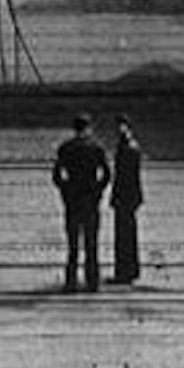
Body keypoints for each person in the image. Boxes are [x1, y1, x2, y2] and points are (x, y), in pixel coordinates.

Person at [51, 113, 111, 293]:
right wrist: (97, 191)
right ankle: (92, 281)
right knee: (92, 243)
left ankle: (71, 282)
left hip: (72, 202)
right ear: (89, 128)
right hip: (91, 201)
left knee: (73, 244)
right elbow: (106, 174)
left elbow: (56, 176)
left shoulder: (65, 148)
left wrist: (66, 191)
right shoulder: (96, 148)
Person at [109, 116, 144, 284]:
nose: (118, 130)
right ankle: (129, 270)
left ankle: (124, 272)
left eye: (121, 126)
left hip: (125, 197)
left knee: (124, 236)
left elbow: (126, 177)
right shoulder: (128, 146)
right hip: (128, 197)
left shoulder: (128, 148)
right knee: (127, 235)